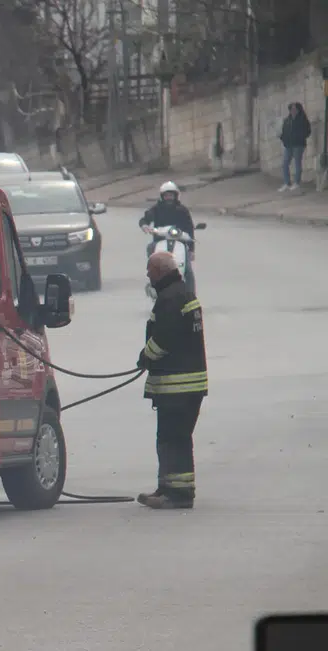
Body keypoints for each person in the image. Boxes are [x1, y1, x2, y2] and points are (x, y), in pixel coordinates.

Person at [135, 252, 207, 510]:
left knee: (173, 438)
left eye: (149, 270)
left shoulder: (170, 298)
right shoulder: (183, 293)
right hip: (187, 385)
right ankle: (168, 488)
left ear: (160, 271)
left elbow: (164, 338)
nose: (147, 275)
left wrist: (145, 357)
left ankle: (177, 495)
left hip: (177, 386)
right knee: (173, 437)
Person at [138, 181, 197, 250]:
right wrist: (144, 225)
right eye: (166, 196)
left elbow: (190, 229)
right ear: (162, 197)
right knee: (150, 248)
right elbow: (145, 219)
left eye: (171, 195)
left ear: (175, 196)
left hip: (180, 242)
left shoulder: (183, 210)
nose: (168, 198)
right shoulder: (156, 208)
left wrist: (192, 250)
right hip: (159, 241)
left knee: (187, 253)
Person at [278, 102, 312, 192]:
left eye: (294, 109)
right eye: (291, 109)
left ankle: (296, 183)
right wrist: (283, 138)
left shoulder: (302, 119)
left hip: (298, 145)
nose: (292, 111)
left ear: (298, 110)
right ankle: (287, 183)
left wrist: (300, 137)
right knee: (285, 163)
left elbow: (308, 131)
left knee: (297, 163)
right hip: (288, 144)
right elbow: (284, 131)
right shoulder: (287, 120)